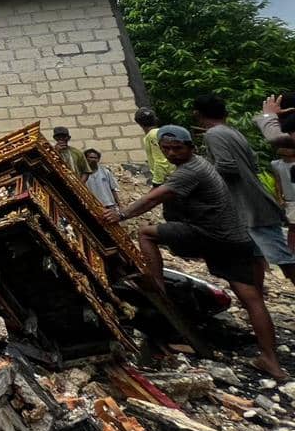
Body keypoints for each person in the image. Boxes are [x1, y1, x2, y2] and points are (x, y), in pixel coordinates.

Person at [102, 125, 286, 380]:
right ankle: (270, 360)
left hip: (209, 235)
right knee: (251, 297)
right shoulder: (200, 165)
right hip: (234, 237)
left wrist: (121, 214)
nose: (171, 153)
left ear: (191, 147)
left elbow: (156, 197)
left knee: (146, 233)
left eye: (177, 148)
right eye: (166, 149)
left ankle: (157, 286)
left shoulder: (191, 170)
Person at [192, 93, 295, 287]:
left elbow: (227, 167)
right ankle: (256, 298)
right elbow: (252, 164)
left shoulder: (213, 134)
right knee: (255, 258)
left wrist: (202, 174)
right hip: (250, 205)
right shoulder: (232, 132)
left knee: (285, 261)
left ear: (197, 114)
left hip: (251, 207)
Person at [134, 107, 175, 186]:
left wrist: (157, 182)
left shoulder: (152, 135)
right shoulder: (158, 132)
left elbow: (160, 161)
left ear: (139, 123)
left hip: (168, 178)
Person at [269, 140, 295, 252]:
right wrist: (279, 198)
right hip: (290, 200)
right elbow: (277, 182)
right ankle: (292, 250)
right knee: (293, 227)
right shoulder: (276, 164)